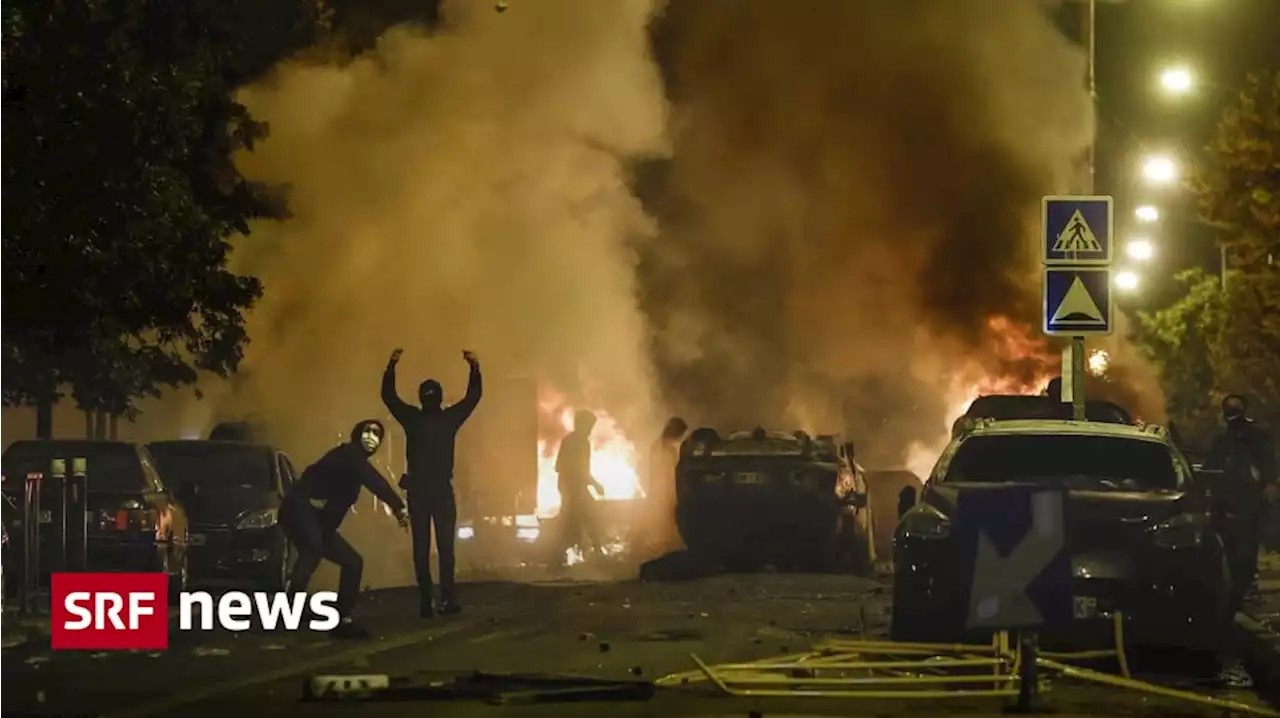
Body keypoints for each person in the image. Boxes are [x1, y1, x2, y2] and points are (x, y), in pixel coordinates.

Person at [280, 419, 409, 638]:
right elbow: (375, 482)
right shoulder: (350, 454)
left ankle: (342, 619)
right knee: (313, 550)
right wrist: (398, 506)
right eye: (367, 432)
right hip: (299, 509)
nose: (371, 437)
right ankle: (287, 611)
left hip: (319, 522)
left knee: (352, 562)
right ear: (356, 435)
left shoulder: (354, 464)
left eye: (377, 435)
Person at [381, 348, 482, 618]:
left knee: (421, 547)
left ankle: (426, 600)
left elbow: (388, 397)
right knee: (446, 548)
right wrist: (474, 368)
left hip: (418, 492)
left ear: (421, 399)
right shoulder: (448, 419)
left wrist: (391, 365)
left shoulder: (412, 419)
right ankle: (448, 599)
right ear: (439, 398)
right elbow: (473, 398)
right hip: (440, 491)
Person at [1204, 394, 1278, 609]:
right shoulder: (1222, 441)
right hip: (1226, 501)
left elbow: (1268, 463)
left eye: (1235, 408)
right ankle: (1237, 590)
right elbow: (1212, 467)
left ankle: (1246, 589)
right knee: (1229, 546)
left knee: (1247, 545)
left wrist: (1270, 484)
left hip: (1249, 500)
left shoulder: (1256, 437)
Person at [556, 410, 606, 563]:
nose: (591, 429)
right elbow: (581, 470)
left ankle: (561, 555)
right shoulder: (581, 442)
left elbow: (558, 466)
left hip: (569, 487)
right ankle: (595, 552)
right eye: (590, 425)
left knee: (576, 521)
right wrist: (595, 484)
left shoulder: (568, 439)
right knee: (588, 518)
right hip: (575, 489)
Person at [643, 417, 687, 557]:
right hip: (665, 491)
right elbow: (669, 472)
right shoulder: (665, 449)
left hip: (660, 491)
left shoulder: (657, 446)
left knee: (663, 525)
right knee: (664, 525)